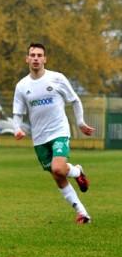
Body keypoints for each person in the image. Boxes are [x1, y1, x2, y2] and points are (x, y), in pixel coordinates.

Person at [13, 43, 94, 224]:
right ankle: (83, 213)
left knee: (58, 168)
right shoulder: (22, 86)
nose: (35, 58)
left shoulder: (57, 79)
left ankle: (77, 171)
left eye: (39, 55)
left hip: (59, 131)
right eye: (32, 55)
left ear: (45, 59)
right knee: (58, 176)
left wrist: (80, 122)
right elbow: (18, 112)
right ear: (27, 59)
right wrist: (16, 128)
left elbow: (74, 100)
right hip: (39, 138)